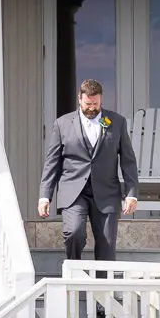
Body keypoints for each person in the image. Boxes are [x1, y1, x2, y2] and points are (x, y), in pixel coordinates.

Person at [38, 78, 139, 271]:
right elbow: (52, 162)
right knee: (74, 232)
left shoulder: (116, 122)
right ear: (79, 99)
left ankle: (103, 296)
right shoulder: (62, 124)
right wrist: (45, 196)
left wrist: (132, 193)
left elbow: (128, 160)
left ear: (101, 100)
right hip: (74, 191)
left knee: (107, 245)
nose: (92, 108)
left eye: (96, 104)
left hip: (106, 192)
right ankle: (75, 273)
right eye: (88, 104)